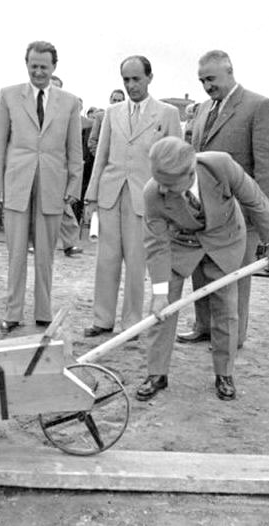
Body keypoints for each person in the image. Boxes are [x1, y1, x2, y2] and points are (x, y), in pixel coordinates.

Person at [136, 137, 269, 402]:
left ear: (190, 172)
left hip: (225, 238)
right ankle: (156, 373)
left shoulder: (221, 166)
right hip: (182, 242)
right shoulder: (153, 192)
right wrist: (159, 292)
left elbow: (256, 202)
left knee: (226, 307)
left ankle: (224, 374)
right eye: (159, 181)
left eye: (169, 185)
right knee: (163, 307)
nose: (162, 189)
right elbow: (157, 245)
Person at [180, 49, 269, 347]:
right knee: (201, 272)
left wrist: (253, 215)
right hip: (203, 213)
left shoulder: (259, 106)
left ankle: (231, 338)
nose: (207, 86)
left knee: (233, 279)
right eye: (202, 81)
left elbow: (267, 168)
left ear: (229, 71)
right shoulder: (202, 110)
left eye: (211, 78)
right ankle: (204, 326)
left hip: (239, 216)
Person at [82, 55, 181, 337]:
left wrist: (170, 202)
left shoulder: (167, 113)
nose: (131, 85)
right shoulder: (111, 113)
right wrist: (91, 197)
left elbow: (174, 161)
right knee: (106, 259)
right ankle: (102, 319)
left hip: (146, 198)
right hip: (110, 193)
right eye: (126, 79)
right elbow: (100, 157)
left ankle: (132, 323)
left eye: (136, 79)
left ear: (150, 78)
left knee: (137, 262)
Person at [0, 41, 83, 333]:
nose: (38, 71)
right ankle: (12, 312)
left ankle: (44, 311)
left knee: (46, 254)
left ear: (54, 67)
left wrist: (74, 185)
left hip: (53, 186)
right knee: (16, 254)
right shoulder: (8, 96)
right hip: (17, 184)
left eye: (44, 66)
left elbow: (75, 149)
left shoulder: (69, 102)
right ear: (26, 64)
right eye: (33, 66)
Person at [49, 75, 83, 257]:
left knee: (64, 209)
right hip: (34, 168)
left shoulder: (67, 114)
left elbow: (74, 148)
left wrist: (74, 177)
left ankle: (70, 244)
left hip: (58, 169)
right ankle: (32, 243)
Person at [88, 88, 126, 156]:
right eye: (114, 100)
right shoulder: (100, 117)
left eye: (119, 100)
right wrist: (100, 157)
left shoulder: (127, 119)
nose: (116, 103)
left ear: (123, 102)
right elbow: (92, 140)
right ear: (110, 100)